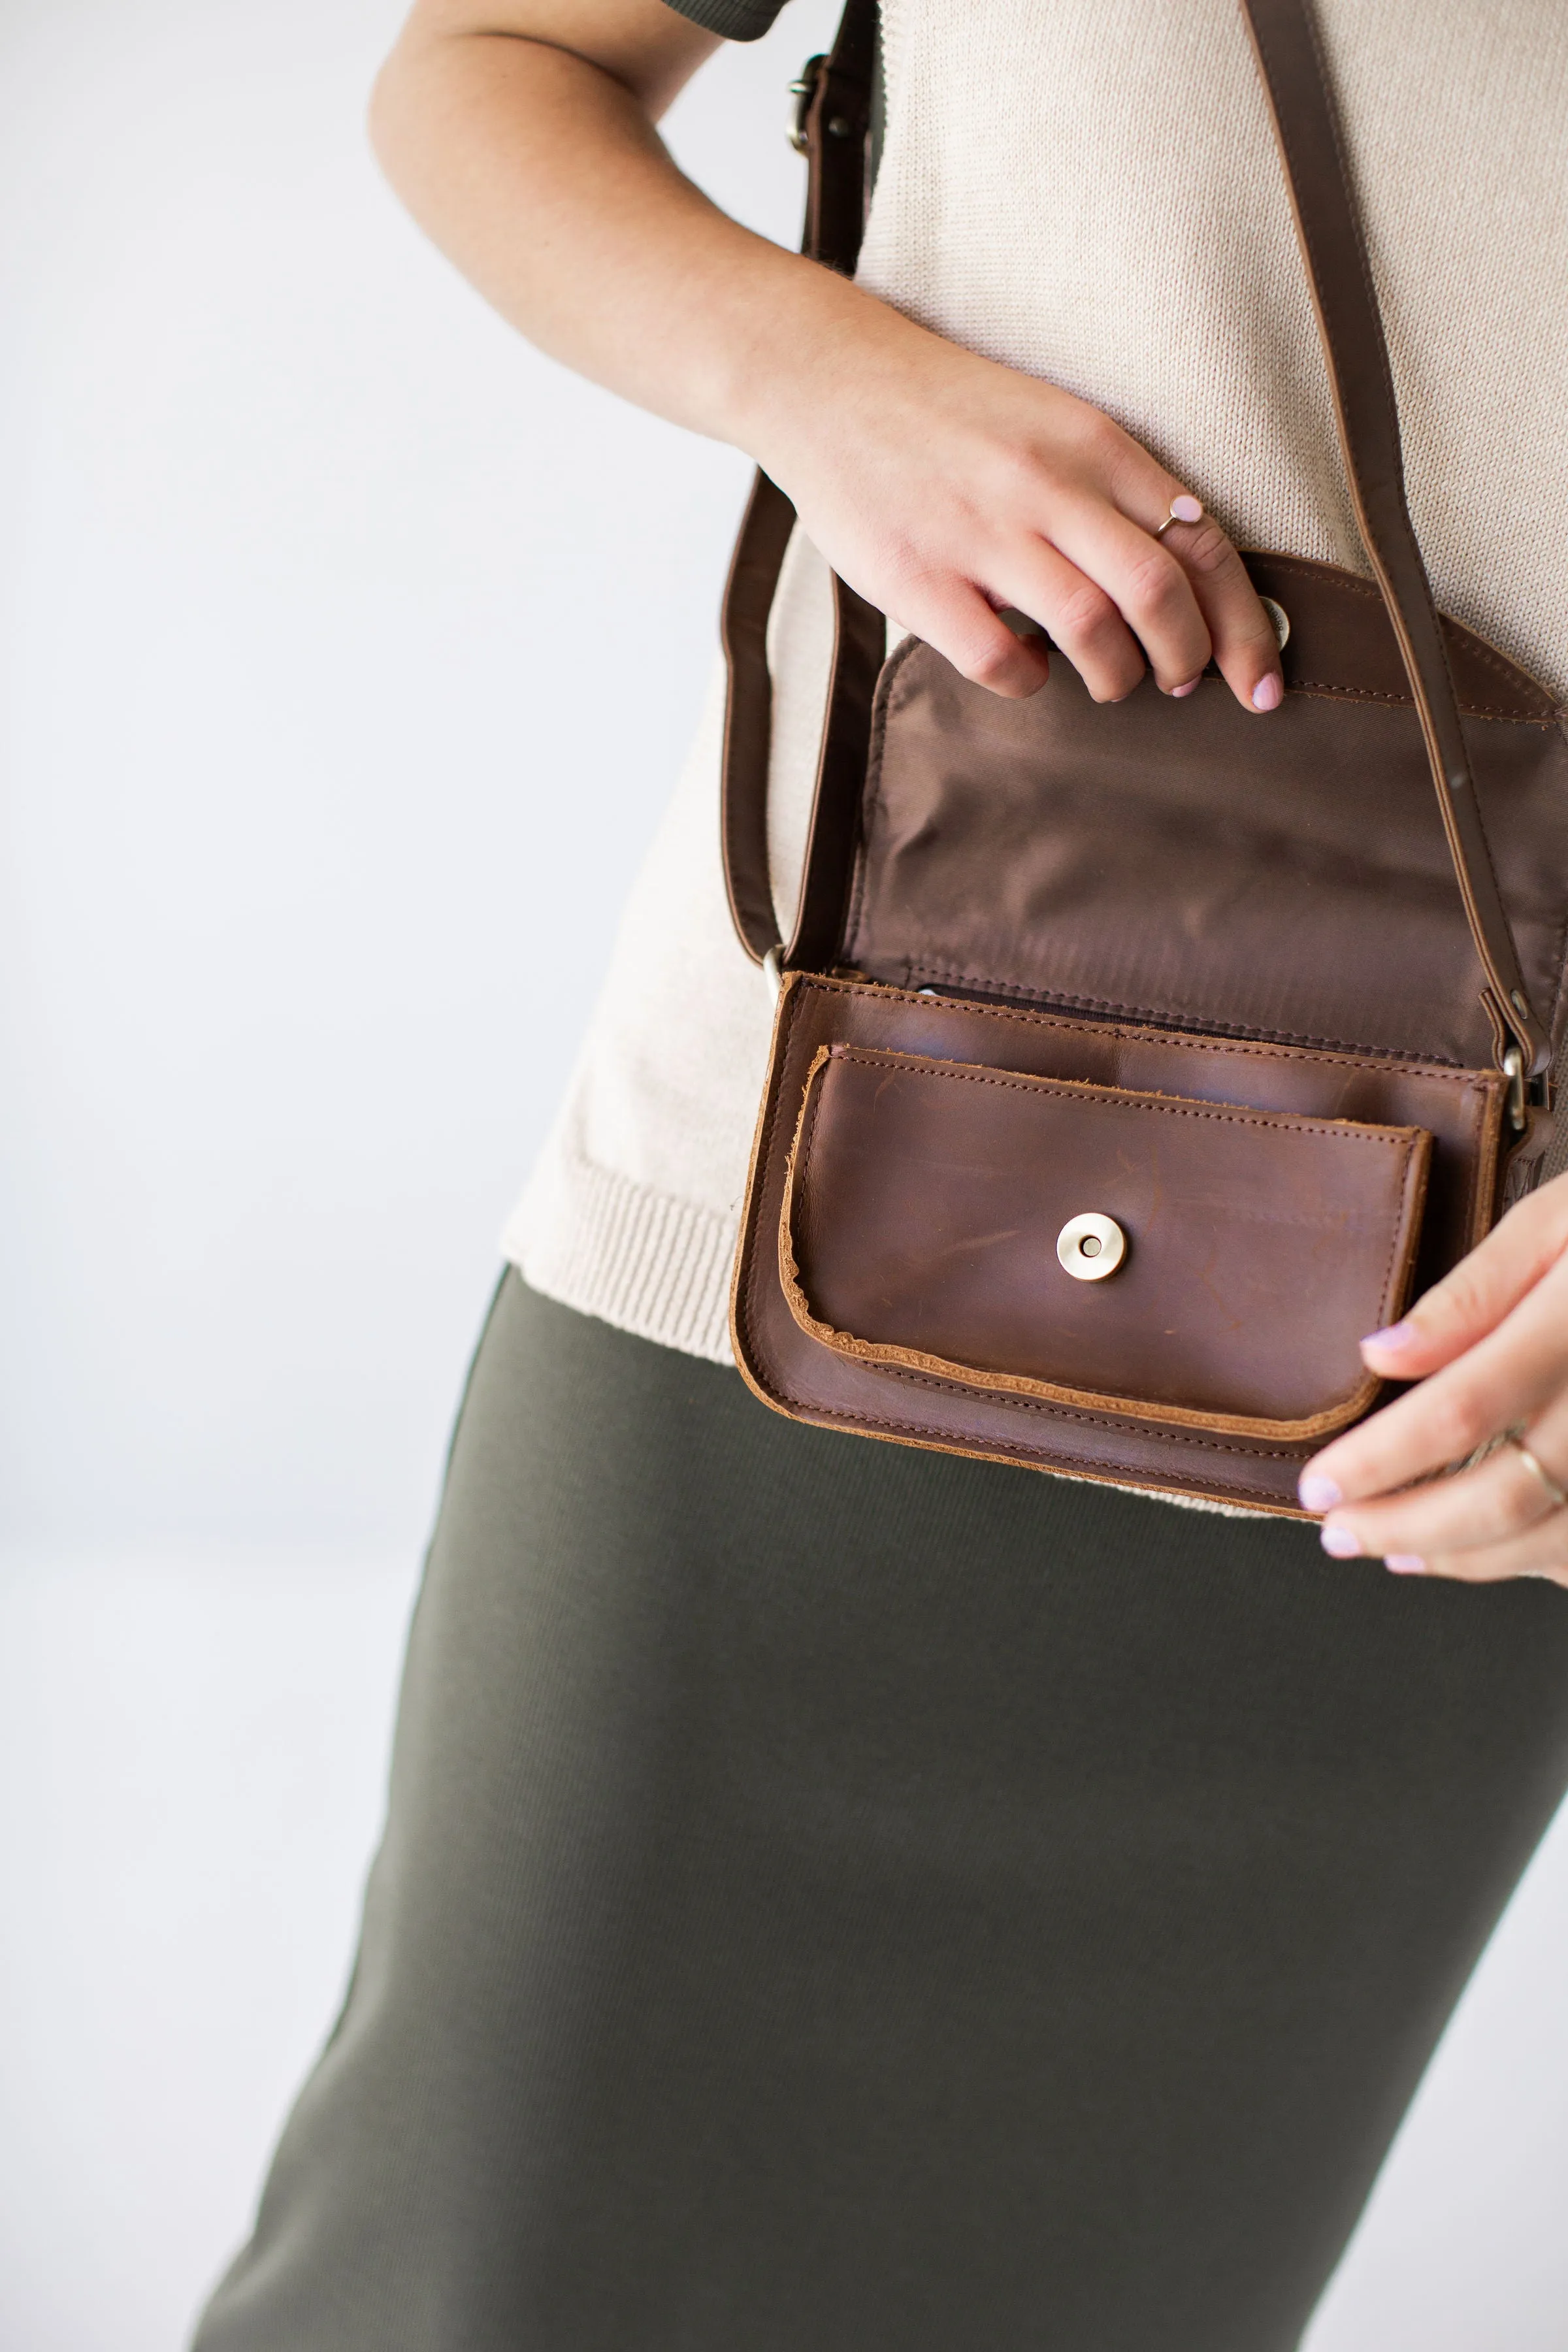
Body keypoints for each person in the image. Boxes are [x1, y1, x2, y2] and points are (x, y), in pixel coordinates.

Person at [192, 3, 1568, 2345]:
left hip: (1462, 1383)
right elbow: (499, 56)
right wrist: (819, 379)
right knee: (458, 2275)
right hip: (807, 1207)